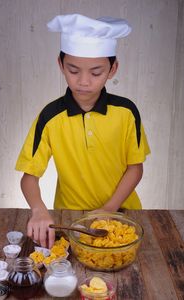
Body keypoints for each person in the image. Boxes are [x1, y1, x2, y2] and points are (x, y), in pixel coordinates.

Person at [15, 14, 150, 248]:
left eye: (96, 72)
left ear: (113, 69)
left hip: (123, 215)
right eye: (74, 70)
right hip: (70, 219)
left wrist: (109, 209)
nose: (84, 81)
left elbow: (135, 168)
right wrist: (38, 210)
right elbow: (29, 177)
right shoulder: (49, 117)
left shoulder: (127, 112)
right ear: (61, 65)